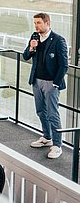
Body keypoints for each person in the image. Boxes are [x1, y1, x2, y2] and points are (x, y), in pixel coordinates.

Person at [23, 12, 68, 159]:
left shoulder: (58, 40)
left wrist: (55, 83)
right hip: (36, 80)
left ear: (47, 23)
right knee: (41, 111)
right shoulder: (34, 37)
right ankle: (47, 137)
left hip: (51, 83)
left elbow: (64, 65)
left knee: (52, 114)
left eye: (39, 23)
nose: (36, 26)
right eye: (35, 23)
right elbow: (25, 56)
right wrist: (31, 47)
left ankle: (57, 145)